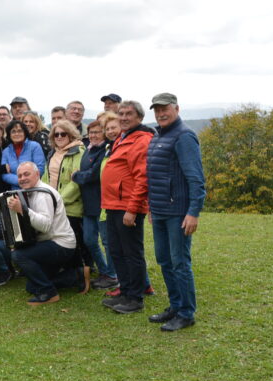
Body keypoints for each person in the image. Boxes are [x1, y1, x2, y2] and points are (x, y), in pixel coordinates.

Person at [146, 93, 205, 332]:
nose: (160, 113)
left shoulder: (184, 136)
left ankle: (186, 313)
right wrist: (152, 207)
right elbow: (155, 176)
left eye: (165, 109)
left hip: (178, 212)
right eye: (157, 110)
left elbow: (196, 178)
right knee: (165, 260)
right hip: (160, 210)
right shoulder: (159, 135)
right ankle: (175, 305)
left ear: (176, 109)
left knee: (180, 262)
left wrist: (193, 212)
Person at [101, 100, 155, 314]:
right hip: (113, 205)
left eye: (128, 114)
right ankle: (125, 291)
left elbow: (142, 178)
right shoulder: (124, 138)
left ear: (139, 117)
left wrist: (133, 209)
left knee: (131, 253)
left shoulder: (141, 140)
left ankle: (135, 297)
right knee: (117, 251)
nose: (123, 117)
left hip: (127, 206)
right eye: (121, 113)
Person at [8, 162, 85, 305]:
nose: (22, 178)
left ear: (37, 174)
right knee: (31, 287)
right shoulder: (30, 192)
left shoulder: (43, 194)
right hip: (49, 242)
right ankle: (76, 276)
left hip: (61, 244)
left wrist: (22, 210)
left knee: (18, 256)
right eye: (19, 176)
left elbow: (45, 226)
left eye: (26, 174)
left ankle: (49, 293)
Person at [42, 119, 90, 289]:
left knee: (73, 243)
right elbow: (46, 178)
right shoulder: (53, 153)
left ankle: (81, 274)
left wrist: (58, 200)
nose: (60, 137)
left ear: (71, 135)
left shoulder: (79, 152)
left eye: (63, 134)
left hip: (70, 206)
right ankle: (69, 274)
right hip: (52, 205)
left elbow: (76, 181)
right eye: (56, 134)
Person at [72, 117, 117, 289]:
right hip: (88, 205)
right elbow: (87, 173)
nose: (93, 135)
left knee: (107, 242)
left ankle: (112, 275)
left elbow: (92, 174)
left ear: (104, 133)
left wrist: (76, 176)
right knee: (89, 239)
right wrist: (81, 176)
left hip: (102, 203)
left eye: (97, 132)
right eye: (91, 132)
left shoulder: (105, 151)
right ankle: (105, 270)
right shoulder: (88, 150)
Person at [1, 120, 46, 190]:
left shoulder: (35, 146)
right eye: (13, 131)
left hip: (35, 189)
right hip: (15, 192)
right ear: (9, 135)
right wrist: (21, 181)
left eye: (20, 131)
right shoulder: (5, 151)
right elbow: (4, 174)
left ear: (25, 133)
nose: (17, 134)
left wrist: (26, 181)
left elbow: (40, 169)